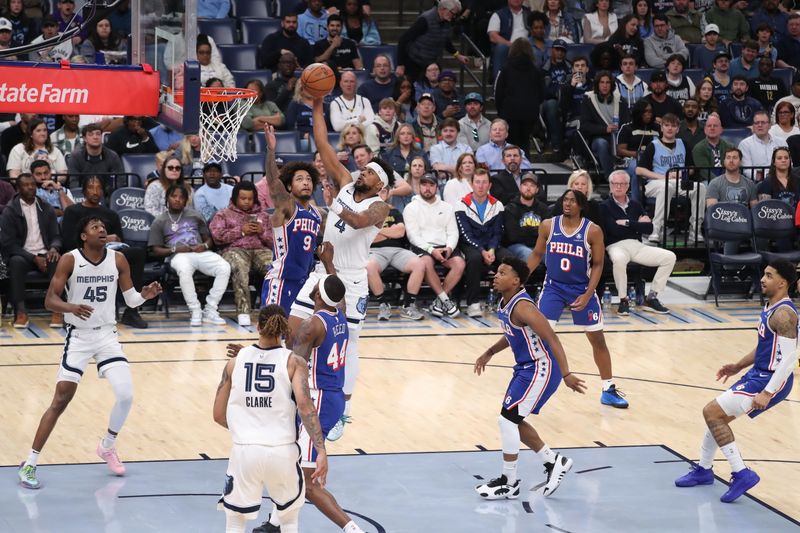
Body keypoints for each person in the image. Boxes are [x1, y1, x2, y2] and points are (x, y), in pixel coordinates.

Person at [16, 216, 162, 490]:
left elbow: (130, 299)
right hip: (79, 337)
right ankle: (30, 463)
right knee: (61, 400)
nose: (101, 229)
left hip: (107, 335)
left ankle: (107, 446)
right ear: (83, 236)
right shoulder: (70, 260)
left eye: (103, 227)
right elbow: (50, 300)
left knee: (126, 395)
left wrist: (145, 295)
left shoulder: (117, 260)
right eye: (95, 227)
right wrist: (71, 307)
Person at [289, 96, 394, 442]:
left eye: (367, 171)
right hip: (323, 272)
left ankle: (342, 412)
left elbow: (360, 219)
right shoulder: (347, 182)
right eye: (361, 169)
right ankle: (291, 390)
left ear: (379, 182)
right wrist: (318, 107)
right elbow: (323, 144)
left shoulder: (381, 206)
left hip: (349, 278)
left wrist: (333, 202)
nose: (360, 171)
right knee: (294, 326)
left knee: (346, 344)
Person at [674, 260, 797, 503]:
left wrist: (768, 392)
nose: (762, 279)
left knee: (711, 412)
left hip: (771, 379)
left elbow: (790, 359)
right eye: (763, 274)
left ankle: (741, 473)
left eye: (769, 275)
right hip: (759, 373)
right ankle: (704, 470)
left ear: (782, 283)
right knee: (715, 417)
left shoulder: (784, 314)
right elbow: (765, 346)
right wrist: (738, 365)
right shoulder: (770, 306)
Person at [250, 277, 366, 533]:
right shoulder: (340, 315)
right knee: (289, 461)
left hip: (317, 400)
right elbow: (338, 295)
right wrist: (329, 264)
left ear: (316, 296)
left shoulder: (311, 325)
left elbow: (291, 365)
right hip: (331, 396)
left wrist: (252, 356)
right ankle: (275, 523)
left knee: (309, 483)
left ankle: (353, 530)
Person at [473, 257, 586, 500]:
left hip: (540, 368)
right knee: (512, 420)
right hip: (525, 368)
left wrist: (566, 373)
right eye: (497, 272)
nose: (496, 275)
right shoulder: (506, 302)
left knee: (507, 420)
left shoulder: (525, 307)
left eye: (502, 273)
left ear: (516, 281)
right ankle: (554, 461)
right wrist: (489, 352)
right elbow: (512, 333)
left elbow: (553, 339)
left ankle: (509, 481)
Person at [213, 305, 327, 533]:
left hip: (245, 451)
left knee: (235, 521)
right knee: (288, 520)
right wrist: (320, 449)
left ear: (257, 326)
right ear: (285, 329)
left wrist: (245, 426)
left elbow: (218, 415)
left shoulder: (235, 362)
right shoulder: (294, 362)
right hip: (281, 451)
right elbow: (305, 407)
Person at [527, 189, 629, 408]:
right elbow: (536, 255)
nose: (568, 204)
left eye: (573, 201)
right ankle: (534, 382)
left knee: (597, 339)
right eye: (565, 200)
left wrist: (588, 293)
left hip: (581, 287)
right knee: (540, 334)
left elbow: (598, 264)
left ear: (581, 205)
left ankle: (608, 389)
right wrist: (519, 280)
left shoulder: (593, 231)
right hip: (553, 287)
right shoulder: (548, 225)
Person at [61, 175, 149, 328]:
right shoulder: (72, 211)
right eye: (91, 187)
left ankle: (131, 311)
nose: (95, 191)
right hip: (81, 254)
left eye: (99, 188)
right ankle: (74, 313)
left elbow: (119, 242)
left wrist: (110, 242)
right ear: (83, 190)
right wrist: (103, 238)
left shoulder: (111, 214)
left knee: (137, 253)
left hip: (107, 255)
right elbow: (68, 242)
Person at [147, 184, 231, 326]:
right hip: (177, 256)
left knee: (224, 267)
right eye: (174, 196)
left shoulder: (195, 215)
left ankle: (210, 309)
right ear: (167, 198)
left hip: (200, 252)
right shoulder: (159, 221)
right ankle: (195, 309)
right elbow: (155, 250)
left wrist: (203, 246)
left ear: (186, 200)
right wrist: (175, 250)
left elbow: (209, 240)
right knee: (184, 270)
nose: (177, 200)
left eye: (181, 197)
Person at [260, 125, 321, 316]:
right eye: (300, 179)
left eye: (309, 179)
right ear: (289, 185)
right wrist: (271, 150)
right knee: (272, 334)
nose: (306, 182)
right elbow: (272, 181)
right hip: (281, 280)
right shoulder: (287, 206)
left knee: (297, 339)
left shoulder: (317, 214)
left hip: (303, 283)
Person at [601, 170, 677, 316]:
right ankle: (623, 300)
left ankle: (652, 297)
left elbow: (649, 228)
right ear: (610, 185)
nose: (618, 186)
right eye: (615, 183)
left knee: (669, 257)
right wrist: (637, 224)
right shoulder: (604, 206)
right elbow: (612, 229)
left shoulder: (635, 205)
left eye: (622, 183)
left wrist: (628, 222)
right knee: (619, 259)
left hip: (637, 245)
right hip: (616, 245)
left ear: (628, 186)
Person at [0, 174, 62, 328]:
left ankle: (57, 310)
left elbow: (56, 236)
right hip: (23, 255)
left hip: (45, 253)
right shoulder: (10, 211)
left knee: (57, 258)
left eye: (33, 184)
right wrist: (33, 258)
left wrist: (54, 248)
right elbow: (9, 245)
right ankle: (21, 312)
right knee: (15, 262)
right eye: (26, 185)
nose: (30, 188)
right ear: (18, 188)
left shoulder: (46, 207)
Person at [209, 181, 273, 327]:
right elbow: (217, 237)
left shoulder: (263, 216)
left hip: (260, 250)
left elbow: (273, 242)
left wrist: (262, 232)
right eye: (243, 198)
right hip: (234, 250)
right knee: (239, 267)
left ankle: (271, 308)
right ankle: (244, 311)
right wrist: (241, 230)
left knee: (274, 267)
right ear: (235, 198)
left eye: (250, 199)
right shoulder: (223, 214)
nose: (246, 202)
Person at [636, 112, 706, 243]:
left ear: (678, 129)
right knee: (666, 187)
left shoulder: (683, 143)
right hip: (656, 183)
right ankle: (656, 229)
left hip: (679, 182)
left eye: (673, 126)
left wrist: (681, 173)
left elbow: (691, 168)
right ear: (661, 128)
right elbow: (639, 170)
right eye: (666, 125)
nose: (670, 128)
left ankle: (695, 230)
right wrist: (663, 177)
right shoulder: (653, 145)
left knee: (700, 187)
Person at [404, 172, 464, 317]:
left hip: (444, 246)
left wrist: (449, 248)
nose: (427, 188)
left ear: (437, 188)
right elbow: (413, 236)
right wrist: (431, 250)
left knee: (459, 263)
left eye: (431, 185)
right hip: (423, 246)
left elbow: (453, 232)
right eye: (424, 185)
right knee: (425, 263)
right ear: (419, 187)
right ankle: (446, 300)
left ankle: (438, 302)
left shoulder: (447, 207)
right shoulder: (411, 207)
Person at [367, 191, 426, 321]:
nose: (380, 194)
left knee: (420, 264)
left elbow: (400, 232)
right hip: (376, 252)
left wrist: (377, 231)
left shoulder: (395, 212)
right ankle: (383, 304)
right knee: (369, 266)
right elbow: (368, 238)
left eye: (383, 191)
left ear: (388, 194)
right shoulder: (367, 212)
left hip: (398, 250)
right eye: (377, 191)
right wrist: (390, 231)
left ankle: (408, 306)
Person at [455, 168, 504, 318]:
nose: (481, 186)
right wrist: (483, 251)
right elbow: (465, 234)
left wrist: (492, 250)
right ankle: (473, 303)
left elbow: (498, 232)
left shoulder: (497, 205)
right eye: (477, 182)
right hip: (469, 245)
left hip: (491, 246)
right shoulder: (461, 204)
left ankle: (507, 301)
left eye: (484, 182)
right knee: (475, 258)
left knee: (509, 260)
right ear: (471, 184)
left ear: (489, 185)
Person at [395, 0, 469, 82]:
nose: (454, 16)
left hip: (431, 63)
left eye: (456, 14)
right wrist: (400, 64)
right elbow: (403, 40)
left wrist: (457, 55)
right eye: (453, 13)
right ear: (443, 9)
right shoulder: (425, 20)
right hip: (414, 61)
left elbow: (445, 40)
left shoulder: (447, 21)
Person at [494, 38, 544, 157]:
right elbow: (542, 94)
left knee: (510, 146)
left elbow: (498, 92)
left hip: (509, 113)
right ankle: (525, 172)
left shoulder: (505, 68)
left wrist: (501, 112)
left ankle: (511, 173)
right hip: (529, 114)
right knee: (524, 143)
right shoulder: (535, 70)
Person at [580, 71, 626, 180]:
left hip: (618, 137)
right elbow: (585, 126)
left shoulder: (620, 100)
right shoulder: (588, 100)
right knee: (602, 143)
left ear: (612, 85)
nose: (605, 85)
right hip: (598, 138)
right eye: (602, 82)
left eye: (607, 83)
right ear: (597, 85)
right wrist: (605, 129)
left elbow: (627, 122)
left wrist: (619, 129)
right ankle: (611, 178)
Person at [499, 172, 549, 262]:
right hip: (517, 246)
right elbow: (513, 236)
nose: (528, 188)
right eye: (525, 185)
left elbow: (547, 233)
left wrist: (525, 230)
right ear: (520, 187)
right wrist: (536, 230)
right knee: (528, 254)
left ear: (537, 189)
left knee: (553, 254)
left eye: (532, 185)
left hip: (538, 245)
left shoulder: (543, 208)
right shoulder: (510, 208)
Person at [66, 123, 124, 190]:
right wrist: (88, 193)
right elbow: (73, 182)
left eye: (98, 134)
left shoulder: (113, 156)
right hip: (83, 195)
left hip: (106, 194)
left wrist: (104, 192)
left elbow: (120, 180)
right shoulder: (76, 156)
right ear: (85, 138)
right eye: (91, 134)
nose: (95, 137)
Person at [739, 110, 787, 181]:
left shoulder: (781, 142)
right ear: (753, 126)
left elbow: (788, 164)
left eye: (763, 122)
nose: (760, 125)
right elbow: (747, 170)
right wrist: (767, 179)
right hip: (757, 183)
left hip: (781, 180)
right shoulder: (745, 144)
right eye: (756, 123)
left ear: (770, 125)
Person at [487, 0, 530, 77]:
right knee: (501, 48)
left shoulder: (530, 14)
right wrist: (512, 45)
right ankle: (498, 84)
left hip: (528, 47)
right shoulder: (498, 14)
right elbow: (493, 36)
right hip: (508, 48)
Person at [693, 113, 733, 182]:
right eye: (709, 126)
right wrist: (720, 183)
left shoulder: (730, 147)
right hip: (707, 181)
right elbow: (704, 172)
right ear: (705, 130)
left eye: (715, 126)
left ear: (721, 129)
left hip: (728, 179)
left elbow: (733, 166)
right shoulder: (698, 148)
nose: (712, 128)